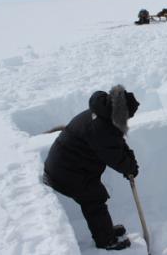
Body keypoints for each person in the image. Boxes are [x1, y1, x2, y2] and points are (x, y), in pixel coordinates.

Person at [43, 85, 140, 250]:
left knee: (94, 197)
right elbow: (114, 155)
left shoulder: (104, 113)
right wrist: (129, 168)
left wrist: (130, 161)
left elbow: (117, 142)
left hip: (68, 165)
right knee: (94, 199)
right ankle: (106, 241)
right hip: (66, 170)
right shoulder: (102, 128)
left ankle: (106, 232)